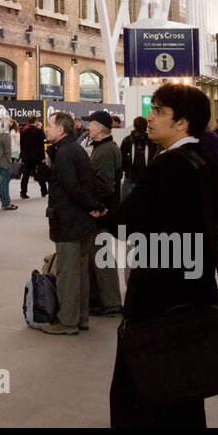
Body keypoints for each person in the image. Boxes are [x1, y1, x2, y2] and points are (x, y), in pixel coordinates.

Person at [97, 82, 218, 428]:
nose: (149, 118)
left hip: (159, 296)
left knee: (143, 386)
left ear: (182, 123)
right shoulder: (203, 160)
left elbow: (125, 223)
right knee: (183, 387)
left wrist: (108, 218)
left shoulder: (169, 166)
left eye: (159, 111)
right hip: (194, 291)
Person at [42, 111, 105, 334]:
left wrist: (93, 206)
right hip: (82, 222)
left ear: (61, 130)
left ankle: (67, 322)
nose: (46, 129)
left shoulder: (65, 153)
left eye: (50, 125)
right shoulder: (76, 149)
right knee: (80, 272)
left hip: (69, 221)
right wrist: (95, 206)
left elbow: (72, 188)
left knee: (68, 274)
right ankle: (80, 318)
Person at [84, 110, 124, 316]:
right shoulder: (104, 148)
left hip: (102, 212)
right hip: (102, 211)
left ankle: (111, 302)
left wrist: (95, 206)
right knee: (98, 254)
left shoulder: (106, 151)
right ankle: (100, 299)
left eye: (90, 124)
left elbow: (105, 185)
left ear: (99, 128)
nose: (88, 127)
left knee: (102, 256)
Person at [119, 116, 157, 201]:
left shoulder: (127, 140)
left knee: (125, 206)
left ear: (134, 126)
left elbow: (121, 159)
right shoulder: (152, 141)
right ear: (146, 126)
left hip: (130, 177)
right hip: (145, 178)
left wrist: (127, 169)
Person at [19, 119, 47, 199]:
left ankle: (23, 192)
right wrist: (43, 157)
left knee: (25, 175)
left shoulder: (23, 132)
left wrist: (22, 156)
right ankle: (44, 191)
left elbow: (22, 145)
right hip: (37, 157)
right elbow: (42, 145)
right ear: (35, 121)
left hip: (27, 157)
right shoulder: (39, 131)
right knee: (40, 174)